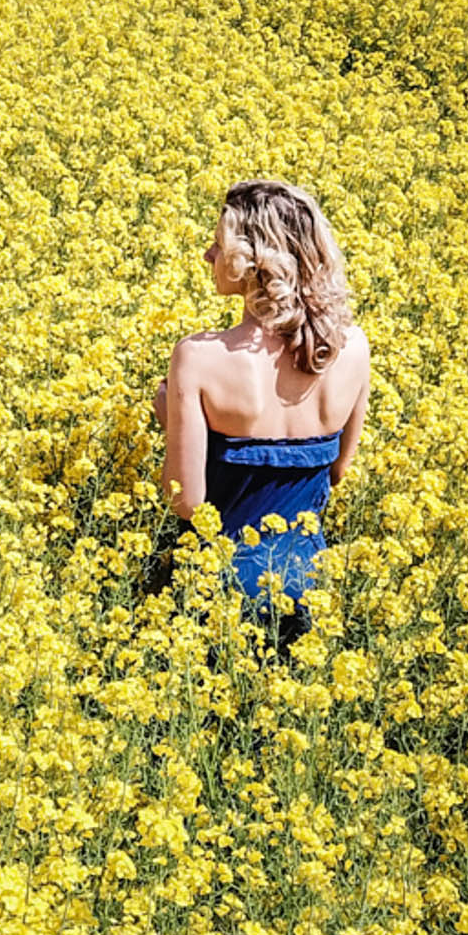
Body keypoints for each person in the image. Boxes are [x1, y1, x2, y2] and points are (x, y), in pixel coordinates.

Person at [143, 178, 370, 656]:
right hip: (309, 586)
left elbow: (186, 503)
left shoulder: (198, 358)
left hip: (217, 592)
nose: (208, 255)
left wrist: (172, 424)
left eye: (218, 245)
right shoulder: (354, 348)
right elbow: (337, 473)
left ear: (256, 261)